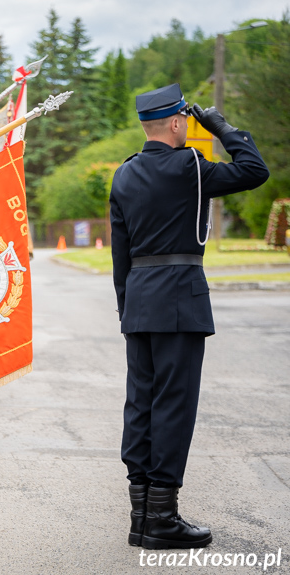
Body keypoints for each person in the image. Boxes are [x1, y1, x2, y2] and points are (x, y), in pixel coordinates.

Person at [110, 84, 269, 550]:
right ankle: (162, 518)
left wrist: (127, 305)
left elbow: (121, 253)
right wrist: (220, 126)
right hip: (180, 299)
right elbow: (254, 171)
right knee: (174, 405)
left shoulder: (124, 174)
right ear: (179, 123)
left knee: (140, 404)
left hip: (138, 301)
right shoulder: (191, 167)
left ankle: (141, 516)